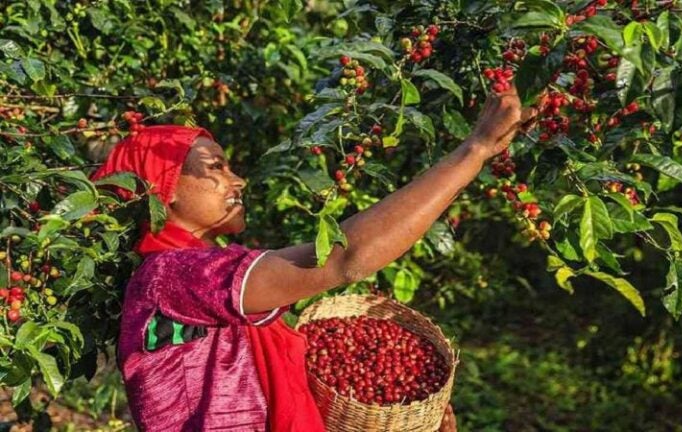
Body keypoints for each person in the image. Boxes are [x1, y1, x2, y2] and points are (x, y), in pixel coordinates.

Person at [91, 86, 536, 432]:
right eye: (216, 167)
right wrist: (473, 151)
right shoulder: (171, 275)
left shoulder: (202, 272)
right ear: (159, 187)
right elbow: (348, 258)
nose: (238, 179)